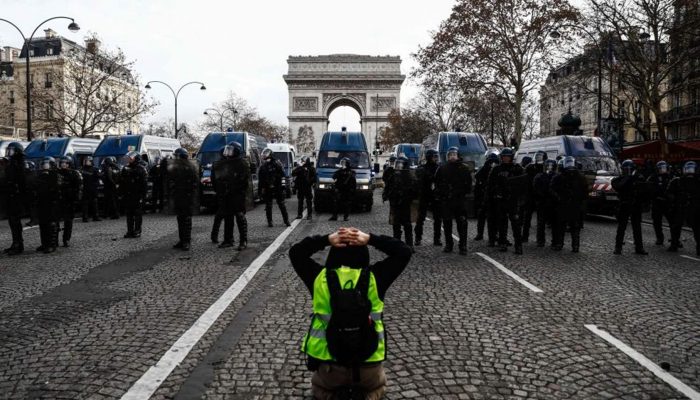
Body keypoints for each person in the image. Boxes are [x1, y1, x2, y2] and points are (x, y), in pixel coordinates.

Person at [289, 227, 411, 400]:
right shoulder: (375, 278)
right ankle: (369, 396)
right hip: (368, 365)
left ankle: (329, 396)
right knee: (378, 386)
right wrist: (370, 238)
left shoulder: (319, 277)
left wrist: (326, 239)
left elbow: (296, 253)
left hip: (329, 366)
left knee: (318, 388)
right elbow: (404, 252)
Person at [211, 143, 250, 250]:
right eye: (227, 150)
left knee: (240, 217)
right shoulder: (223, 163)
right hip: (225, 195)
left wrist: (234, 187)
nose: (227, 152)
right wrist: (221, 190)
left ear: (236, 151)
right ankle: (228, 240)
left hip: (237, 195)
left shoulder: (242, 163)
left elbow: (244, 181)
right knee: (228, 217)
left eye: (230, 150)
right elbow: (216, 179)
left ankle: (243, 241)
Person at [435, 146, 472, 255]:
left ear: (458, 156)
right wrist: (441, 194)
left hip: (459, 200)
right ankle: (449, 244)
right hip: (447, 200)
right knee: (447, 223)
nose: (452, 157)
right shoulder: (442, 168)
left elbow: (468, 184)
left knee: (462, 223)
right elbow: (436, 183)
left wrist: (461, 193)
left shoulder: (464, 168)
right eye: (450, 155)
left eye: (454, 155)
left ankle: (463, 245)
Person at [487, 147, 525, 254]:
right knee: (502, 224)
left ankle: (518, 246)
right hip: (501, 200)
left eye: (508, 157)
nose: (506, 159)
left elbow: (523, 185)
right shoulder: (496, 169)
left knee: (516, 224)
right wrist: (494, 195)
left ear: (511, 157)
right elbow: (490, 185)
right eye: (504, 157)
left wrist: (520, 199)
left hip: (513, 200)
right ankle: (502, 243)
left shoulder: (517, 169)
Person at [549, 156, 588, 252]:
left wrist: (581, 202)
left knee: (574, 226)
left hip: (574, 204)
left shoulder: (580, 177)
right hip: (563, 204)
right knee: (561, 226)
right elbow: (552, 189)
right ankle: (560, 244)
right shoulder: (559, 177)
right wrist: (558, 198)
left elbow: (585, 191)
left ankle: (575, 246)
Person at [611, 159, 648, 255]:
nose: (626, 171)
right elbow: (618, 186)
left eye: (628, 169)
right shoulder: (620, 179)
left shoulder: (637, 178)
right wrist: (628, 178)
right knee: (622, 227)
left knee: (637, 228)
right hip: (625, 204)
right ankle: (618, 247)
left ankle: (639, 247)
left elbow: (644, 190)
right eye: (625, 169)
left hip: (635, 205)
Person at [166, 148, 199, 251]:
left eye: (177, 156)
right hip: (179, 196)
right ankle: (182, 240)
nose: (175, 158)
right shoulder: (176, 167)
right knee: (180, 219)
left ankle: (186, 241)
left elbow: (194, 183)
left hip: (187, 196)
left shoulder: (190, 167)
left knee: (186, 220)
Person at [383, 156, 418, 251]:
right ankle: (396, 244)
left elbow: (414, 190)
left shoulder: (409, 176)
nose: (398, 167)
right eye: (397, 164)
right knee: (396, 224)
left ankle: (409, 245)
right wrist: (386, 195)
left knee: (407, 224)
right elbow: (387, 187)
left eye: (400, 165)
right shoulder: (392, 175)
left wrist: (409, 197)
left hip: (405, 203)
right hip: (395, 203)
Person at [667, 161, 700, 254]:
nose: (690, 172)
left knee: (697, 228)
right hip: (681, 207)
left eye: (691, 170)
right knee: (676, 227)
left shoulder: (698, 181)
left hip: (695, 208)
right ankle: (674, 244)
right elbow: (669, 193)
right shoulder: (677, 181)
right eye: (688, 170)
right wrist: (675, 200)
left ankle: (699, 248)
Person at [414, 149, 442, 246]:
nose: (436, 158)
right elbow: (419, 178)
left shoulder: (439, 168)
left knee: (438, 218)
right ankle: (418, 238)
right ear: (429, 157)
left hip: (435, 195)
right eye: (434, 157)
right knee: (420, 218)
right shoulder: (422, 168)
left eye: (436, 156)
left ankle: (437, 238)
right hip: (425, 195)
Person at [3, 142, 27, 256]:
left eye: (11, 150)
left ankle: (18, 244)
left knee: (15, 221)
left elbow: (21, 182)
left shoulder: (19, 164)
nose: (9, 152)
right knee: (12, 221)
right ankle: (15, 243)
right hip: (10, 196)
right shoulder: (12, 163)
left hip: (16, 197)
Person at [35, 157, 62, 253]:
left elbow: (57, 189)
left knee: (52, 224)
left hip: (52, 203)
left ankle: (52, 244)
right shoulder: (40, 176)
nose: (44, 166)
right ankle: (44, 243)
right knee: (43, 224)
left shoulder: (55, 175)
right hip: (42, 202)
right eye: (43, 164)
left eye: (46, 164)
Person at [258, 147, 291, 227]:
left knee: (281, 204)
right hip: (268, 188)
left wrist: (283, 187)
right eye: (264, 155)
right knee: (268, 206)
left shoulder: (277, 164)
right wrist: (260, 191)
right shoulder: (263, 166)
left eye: (266, 155)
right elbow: (261, 180)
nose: (265, 157)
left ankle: (286, 221)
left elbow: (283, 176)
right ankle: (270, 221)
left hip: (277, 187)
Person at [120, 151, 148, 238]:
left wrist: (143, 196)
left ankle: (137, 231)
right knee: (129, 215)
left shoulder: (141, 169)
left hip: (137, 195)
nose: (129, 159)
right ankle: (130, 231)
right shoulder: (126, 168)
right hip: (128, 195)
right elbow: (122, 182)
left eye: (131, 158)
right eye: (129, 158)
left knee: (138, 214)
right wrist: (121, 193)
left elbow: (144, 184)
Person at [521, 151, 546, 242]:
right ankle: (525, 237)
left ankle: (540, 239)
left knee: (540, 219)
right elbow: (525, 181)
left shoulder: (545, 168)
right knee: (527, 218)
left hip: (539, 196)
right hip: (531, 195)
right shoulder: (530, 168)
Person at [58, 156, 82, 247]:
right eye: (62, 162)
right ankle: (54, 240)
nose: (63, 164)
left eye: (65, 162)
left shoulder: (74, 174)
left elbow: (78, 187)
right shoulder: (57, 173)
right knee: (56, 221)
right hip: (59, 200)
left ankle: (66, 239)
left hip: (69, 200)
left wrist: (76, 199)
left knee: (68, 221)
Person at [474, 151, 499, 242]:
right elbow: (477, 178)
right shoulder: (484, 168)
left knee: (492, 218)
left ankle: (492, 235)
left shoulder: (496, 169)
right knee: (483, 216)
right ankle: (481, 234)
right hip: (484, 195)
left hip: (492, 196)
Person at [533, 159, 557, 247]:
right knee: (542, 223)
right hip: (543, 202)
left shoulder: (556, 176)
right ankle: (542, 240)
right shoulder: (539, 176)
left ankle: (553, 241)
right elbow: (536, 189)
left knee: (553, 223)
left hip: (551, 202)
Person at [648, 161, 673, 246]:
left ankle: (675, 238)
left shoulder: (671, 177)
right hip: (657, 202)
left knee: (673, 222)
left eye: (664, 168)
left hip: (668, 203)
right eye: (661, 169)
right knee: (657, 222)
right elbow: (649, 188)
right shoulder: (653, 177)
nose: (662, 170)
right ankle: (659, 238)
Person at [329, 158, 356, 222]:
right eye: (342, 163)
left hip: (347, 190)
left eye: (344, 163)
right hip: (340, 189)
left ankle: (345, 217)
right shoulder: (339, 171)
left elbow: (353, 182)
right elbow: (333, 177)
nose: (342, 164)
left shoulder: (351, 172)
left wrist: (353, 191)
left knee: (347, 204)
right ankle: (334, 216)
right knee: (336, 203)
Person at [292, 155, 316, 220]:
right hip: (300, 187)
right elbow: (293, 173)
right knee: (300, 201)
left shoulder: (311, 168)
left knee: (309, 201)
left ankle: (309, 215)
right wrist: (299, 167)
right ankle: (299, 214)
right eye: (302, 161)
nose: (303, 162)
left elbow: (314, 177)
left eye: (304, 161)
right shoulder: (300, 168)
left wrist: (310, 182)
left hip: (307, 187)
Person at [80, 156, 101, 222]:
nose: (87, 162)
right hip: (85, 188)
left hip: (93, 188)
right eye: (86, 161)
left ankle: (95, 217)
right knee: (85, 204)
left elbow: (98, 177)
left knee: (94, 203)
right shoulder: (81, 169)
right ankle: (85, 217)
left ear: (91, 162)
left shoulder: (95, 169)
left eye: (88, 161)